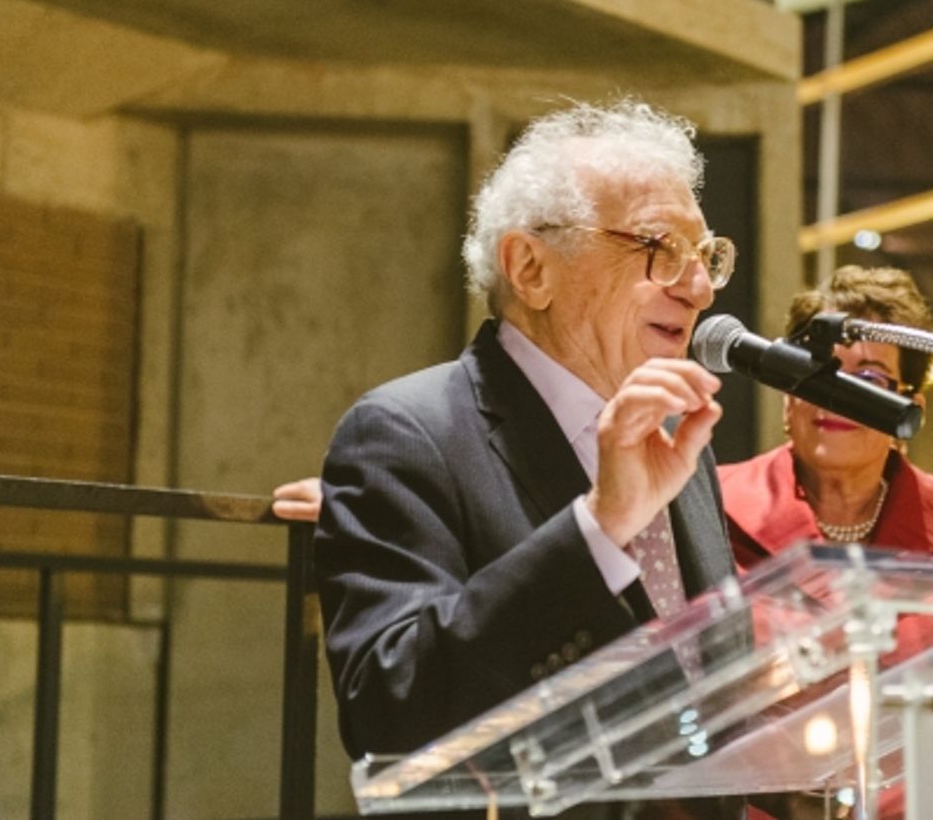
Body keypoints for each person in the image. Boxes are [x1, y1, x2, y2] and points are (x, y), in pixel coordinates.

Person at [314, 97, 743, 820]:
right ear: (530, 266)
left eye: (705, 257)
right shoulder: (404, 435)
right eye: (656, 247)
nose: (696, 288)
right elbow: (389, 708)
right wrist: (598, 528)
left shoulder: (678, 446)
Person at [715, 265, 933, 571]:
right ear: (788, 393)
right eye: (819, 374)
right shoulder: (711, 508)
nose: (837, 401)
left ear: (910, 406)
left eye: (869, 380)